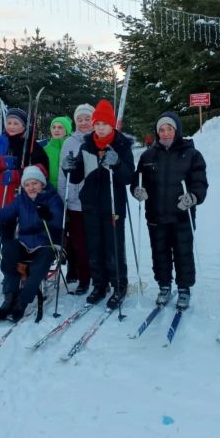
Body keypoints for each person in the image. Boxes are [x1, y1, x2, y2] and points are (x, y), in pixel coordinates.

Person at [62, 99, 135, 309]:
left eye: (104, 124)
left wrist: (118, 163)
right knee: (94, 247)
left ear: (112, 124)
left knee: (113, 247)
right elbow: (76, 177)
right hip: (91, 205)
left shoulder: (121, 145)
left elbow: (128, 177)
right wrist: (69, 168)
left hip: (113, 205)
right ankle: (99, 285)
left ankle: (119, 285)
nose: (100, 127)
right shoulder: (86, 145)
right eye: (97, 124)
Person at [131, 112, 207, 310]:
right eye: (161, 130)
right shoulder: (148, 156)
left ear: (177, 131)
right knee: (160, 253)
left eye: (169, 129)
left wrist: (194, 196)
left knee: (183, 253)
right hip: (156, 215)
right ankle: (164, 285)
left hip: (182, 215)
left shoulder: (191, 154)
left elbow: (200, 183)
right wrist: (137, 191)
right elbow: (137, 181)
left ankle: (184, 288)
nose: (165, 133)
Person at [0, 165, 63, 322]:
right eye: (27, 184)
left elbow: (58, 220)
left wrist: (47, 215)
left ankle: (22, 302)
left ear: (42, 183)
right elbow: (5, 214)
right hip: (25, 242)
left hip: (46, 243)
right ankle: (8, 300)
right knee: (9, 250)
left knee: (38, 267)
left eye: (34, 183)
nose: (31, 187)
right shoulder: (21, 199)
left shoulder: (53, 199)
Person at [0, 108, 49, 242]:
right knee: (7, 241)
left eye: (16, 123)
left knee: (26, 241)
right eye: (9, 123)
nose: (12, 126)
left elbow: (42, 170)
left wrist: (19, 175)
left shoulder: (32, 145)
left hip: (26, 200)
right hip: (0, 200)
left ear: (24, 126)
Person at [57, 103, 94, 295]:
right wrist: (63, 197)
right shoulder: (69, 142)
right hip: (75, 202)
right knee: (79, 243)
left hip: (96, 201)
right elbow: (62, 174)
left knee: (96, 241)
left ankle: (100, 275)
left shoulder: (100, 139)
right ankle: (83, 278)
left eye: (87, 119)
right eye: (80, 119)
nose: (84, 122)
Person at [41, 116, 73, 189]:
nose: (56, 130)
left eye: (60, 127)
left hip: (69, 189)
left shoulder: (72, 148)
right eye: (54, 127)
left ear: (67, 130)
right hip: (50, 190)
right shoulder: (45, 149)